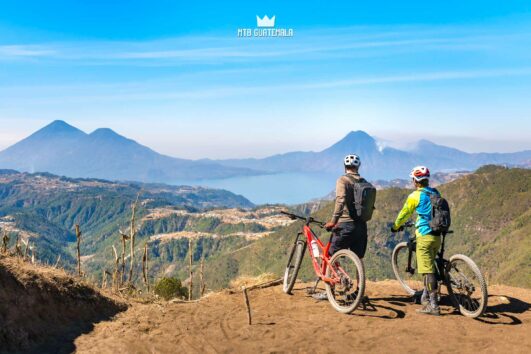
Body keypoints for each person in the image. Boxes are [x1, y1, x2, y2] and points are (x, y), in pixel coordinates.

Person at [391, 165, 442, 316]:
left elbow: (405, 213)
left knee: (427, 271)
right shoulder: (435, 192)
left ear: (415, 181)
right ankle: (427, 293)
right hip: (437, 234)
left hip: (424, 235)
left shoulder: (415, 196)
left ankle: (433, 305)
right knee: (431, 264)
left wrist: (395, 226)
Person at [324, 154, 368, 259]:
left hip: (346, 225)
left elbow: (340, 200)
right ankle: (360, 276)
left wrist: (333, 221)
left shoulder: (343, 180)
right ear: (358, 166)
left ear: (344, 167)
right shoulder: (364, 182)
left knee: (331, 255)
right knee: (358, 258)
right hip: (361, 226)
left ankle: (335, 274)